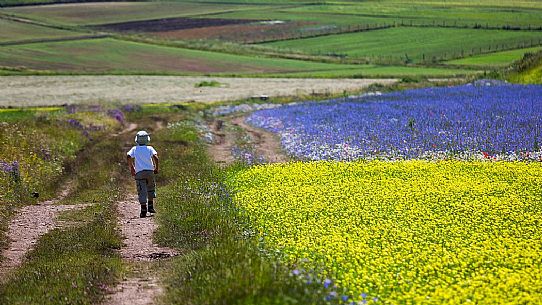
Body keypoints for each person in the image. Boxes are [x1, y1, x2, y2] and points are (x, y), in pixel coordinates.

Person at [127, 130, 159, 218]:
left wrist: (132, 168)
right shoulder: (150, 148)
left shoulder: (134, 149)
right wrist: (156, 168)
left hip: (139, 172)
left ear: (137, 140)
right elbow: (156, 157)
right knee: (151, 188)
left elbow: (128, 156)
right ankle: (151, 206)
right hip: (149, 171)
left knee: (141, 190)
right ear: (147, 140)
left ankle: (143, 210)